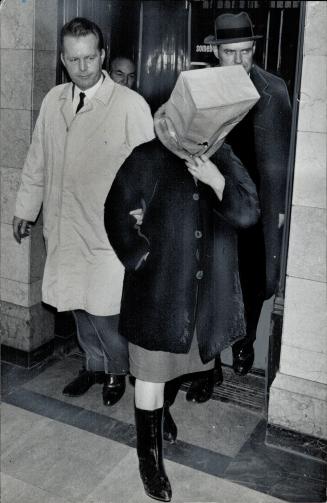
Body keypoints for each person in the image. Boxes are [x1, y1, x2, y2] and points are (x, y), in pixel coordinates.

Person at [104, 67, 260, 501]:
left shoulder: (224, 157)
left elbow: (248, 213)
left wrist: (216, 180)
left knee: (179, 367)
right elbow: (116, 213)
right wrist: (142, 258)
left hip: (200, 298)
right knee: (152, 377)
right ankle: (149, 462)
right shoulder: (146, 157)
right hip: (158, 295)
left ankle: (161, 416)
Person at [13, 17, 154, 406]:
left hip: (108, 231)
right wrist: (26, 207)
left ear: (102, 55)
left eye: (90, 58)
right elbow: (37, 159)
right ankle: (92, 366)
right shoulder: (53, 100)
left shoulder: (130, 105)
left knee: (106, 310)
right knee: (75, 303)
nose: (83, 67)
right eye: (73, 60)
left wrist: (146, 215)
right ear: (63, 59)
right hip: (63, 225)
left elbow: (151, 170)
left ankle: (115, 371)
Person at [186, 11, 292, 402]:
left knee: (252, 283)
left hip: (257, 210)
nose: (239, 62)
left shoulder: (274, 90)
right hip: (212, 206)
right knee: (209, 290)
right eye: (230, 53)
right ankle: (207, 370)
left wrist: (279, 210)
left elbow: (285, 158)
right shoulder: (197, 88)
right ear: (215, 51)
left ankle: (244, 342)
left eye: (246, 52)